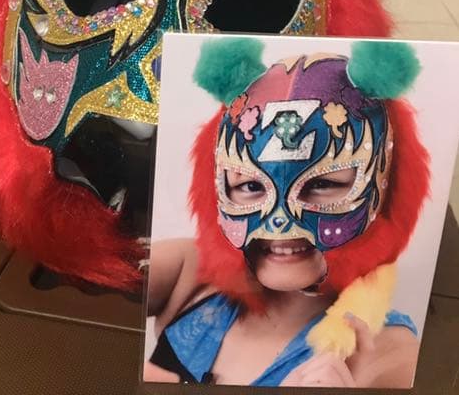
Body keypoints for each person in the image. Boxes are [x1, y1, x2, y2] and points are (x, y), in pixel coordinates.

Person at [143, 38, 428, 387]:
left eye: (322, 183)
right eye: (251, 185)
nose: (279, 222)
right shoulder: (192, 272)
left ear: (385, 184)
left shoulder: (389, 352)